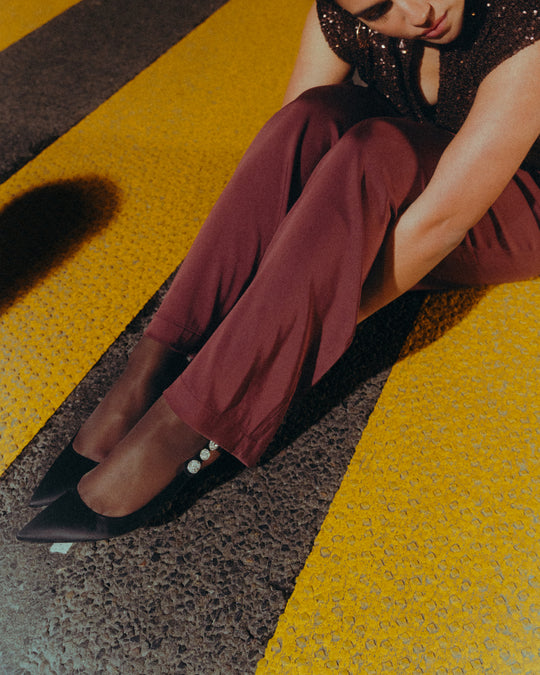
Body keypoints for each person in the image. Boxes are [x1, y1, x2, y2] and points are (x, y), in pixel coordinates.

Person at [18, 0, 539, 542]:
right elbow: (288, 161)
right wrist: (267, 291)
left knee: (375, 154)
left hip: (520, 202)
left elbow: (438, 223)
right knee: (309, 117)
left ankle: (189, 425)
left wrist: (296, 320)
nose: (418, 10)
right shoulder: (340, 14)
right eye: (379, 9)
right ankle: (149, 368)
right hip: (428, 156)